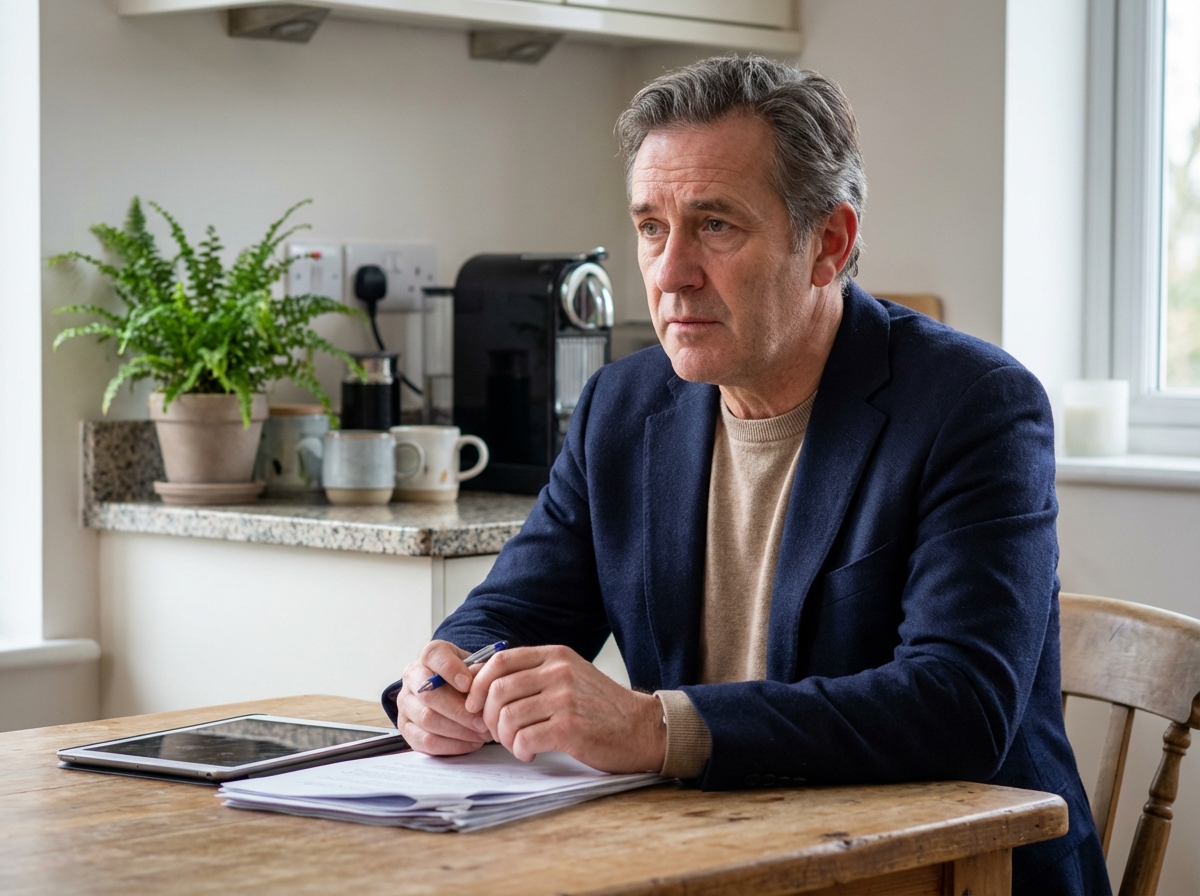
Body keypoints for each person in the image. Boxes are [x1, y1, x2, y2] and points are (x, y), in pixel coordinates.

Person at [382, 56, 1109, 894]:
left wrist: (655, 727)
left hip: (950, 874)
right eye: (651, 226)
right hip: (721, 859)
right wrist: (447, 682)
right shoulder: (623, 404)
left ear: (827, 243)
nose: (669, 271)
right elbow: (515, 608)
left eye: (716, 225)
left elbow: (957, 704)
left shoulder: (975, 405)